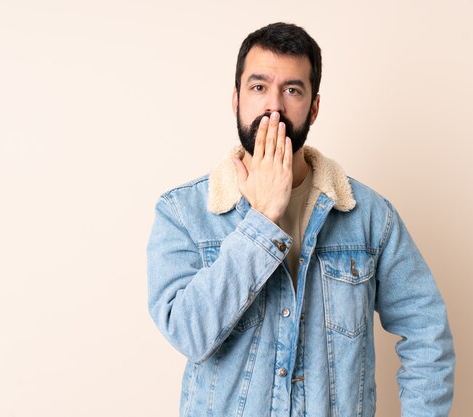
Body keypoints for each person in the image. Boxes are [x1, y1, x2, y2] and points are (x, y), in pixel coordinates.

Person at [147, 22, 455, 417]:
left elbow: (427, 331)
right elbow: (188, 333)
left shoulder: (370, 216)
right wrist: (261, 219)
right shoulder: (183, 212)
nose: (273, 106)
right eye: (258, 87)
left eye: (292, 90)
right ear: (236, 98)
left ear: (313, 107)